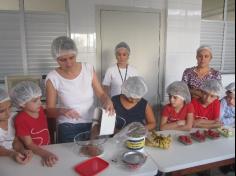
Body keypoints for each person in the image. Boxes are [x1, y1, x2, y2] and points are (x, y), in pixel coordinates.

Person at [46, 36, 114, 143]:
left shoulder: (88, 69)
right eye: (63, 60)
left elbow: (101, 94)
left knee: (95, 153)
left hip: (92, 122)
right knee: (72, 157)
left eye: (72, 57)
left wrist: (107, 100)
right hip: (68, 125)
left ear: (76, 54)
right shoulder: (53, 77)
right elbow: (49, 111)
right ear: (56, 59)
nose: (68, 63)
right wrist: (63, 111)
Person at [10, 81, 58, 167]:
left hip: (47, 148)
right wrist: (45, 154)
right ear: (22, 103)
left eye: (40, 98)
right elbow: (29, 144)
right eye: (35, 101)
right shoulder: (21, 120)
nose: (40, 103)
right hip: (34, 155)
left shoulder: (40, 110)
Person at [0, 88, 32, 164]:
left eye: (10, 107)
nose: (8, 113)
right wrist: (11, 154)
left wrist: (22, 150)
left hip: (12, 157)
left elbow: (15, 141)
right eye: (1, 111)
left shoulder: (12, 119)